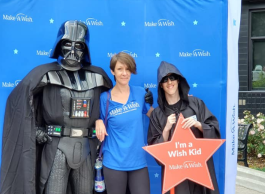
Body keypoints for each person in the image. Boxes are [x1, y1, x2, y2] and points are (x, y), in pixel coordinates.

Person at [0, 20, 112, 194]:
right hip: (56, 146)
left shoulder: (98, 77)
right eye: (68, 44)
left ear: (85, 49)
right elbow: (19, 103)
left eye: (79, 46)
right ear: (59, 45)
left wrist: (99, 119)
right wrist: (34, 129)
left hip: (86, 148)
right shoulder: (45, 74)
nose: (73, 51)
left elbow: (111, 106)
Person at [147, 61, 220, 194]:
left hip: (199, 169)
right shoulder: (157, 115)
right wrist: (167, 128)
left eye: (172, 77)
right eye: (165, 79)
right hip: (176, 175)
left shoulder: (196, 104)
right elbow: (155, 149)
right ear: (161, 85)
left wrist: (199, 125)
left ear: (179, 80)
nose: (169, 82)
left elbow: (214, 129)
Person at [95, 52, 153, 194]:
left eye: (128, 69)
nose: (124, 73)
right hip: (114, 162)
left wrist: (181, 103)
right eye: (120, 69)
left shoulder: (140, 93)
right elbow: (96, 123)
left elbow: (155, 116)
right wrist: (97, 120)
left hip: (138, 162)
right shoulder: (105, 98)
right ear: (112, 71)